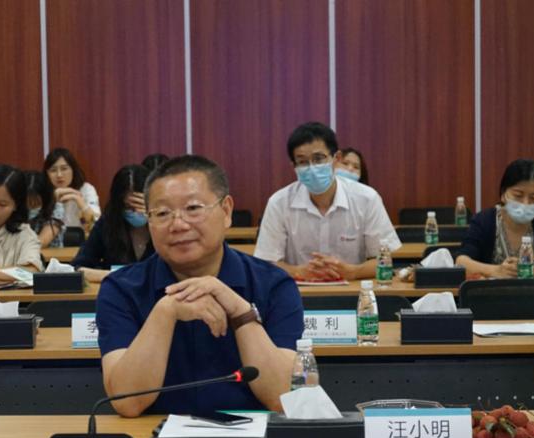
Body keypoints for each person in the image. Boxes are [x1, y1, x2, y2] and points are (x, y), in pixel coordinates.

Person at [96, 155, 303, 416]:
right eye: (162, 213)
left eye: (193, 208)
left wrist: (241, 313)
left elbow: (283, 399)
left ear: (226, 211)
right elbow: (128, 403)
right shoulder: (121, 289)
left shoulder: (274, 285)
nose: (178, 225)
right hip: (152, 437)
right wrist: (165, 312)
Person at [254, 122, 400, 281]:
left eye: (318, 159)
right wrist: (298, 272)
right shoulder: (278, 203)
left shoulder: (367, 198)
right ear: (293, 166)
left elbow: (385, 260)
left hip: (353, 291)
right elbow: (265, 265)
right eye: (302, 162)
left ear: (336, 159)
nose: (312, 168)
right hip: (297, 292)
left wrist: (353, 272)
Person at [456, 159, 534, 278]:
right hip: (492, 290)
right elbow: (461, 262)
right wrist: (496, 271)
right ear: (503, 194)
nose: (525, 203)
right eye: (518, 195)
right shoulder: (484, 221)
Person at [71, 164, 154, 283]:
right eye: (128, 207)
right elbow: (78, 268)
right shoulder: (107, 224)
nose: (135, 212)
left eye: (141, 206)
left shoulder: (165, 226)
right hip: (115, 291)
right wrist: (117, 276)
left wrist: (155, 219)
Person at [44, 147, 100, 242]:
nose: (59, 175)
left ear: (73, 169)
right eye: (53, 170)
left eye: (64, 169)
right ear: (47, 174)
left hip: (81, 246)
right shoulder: (43, 193)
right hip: (50, 246)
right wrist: (55, 202)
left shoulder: (86, 189)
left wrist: (79, 201)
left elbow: (94, 226)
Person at [25, 170, 65, 248]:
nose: (31, 206)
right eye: (28, 202)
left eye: (36, 203)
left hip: (48, 255)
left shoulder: (56, 209)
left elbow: (41, 242)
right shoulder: (15, 209)